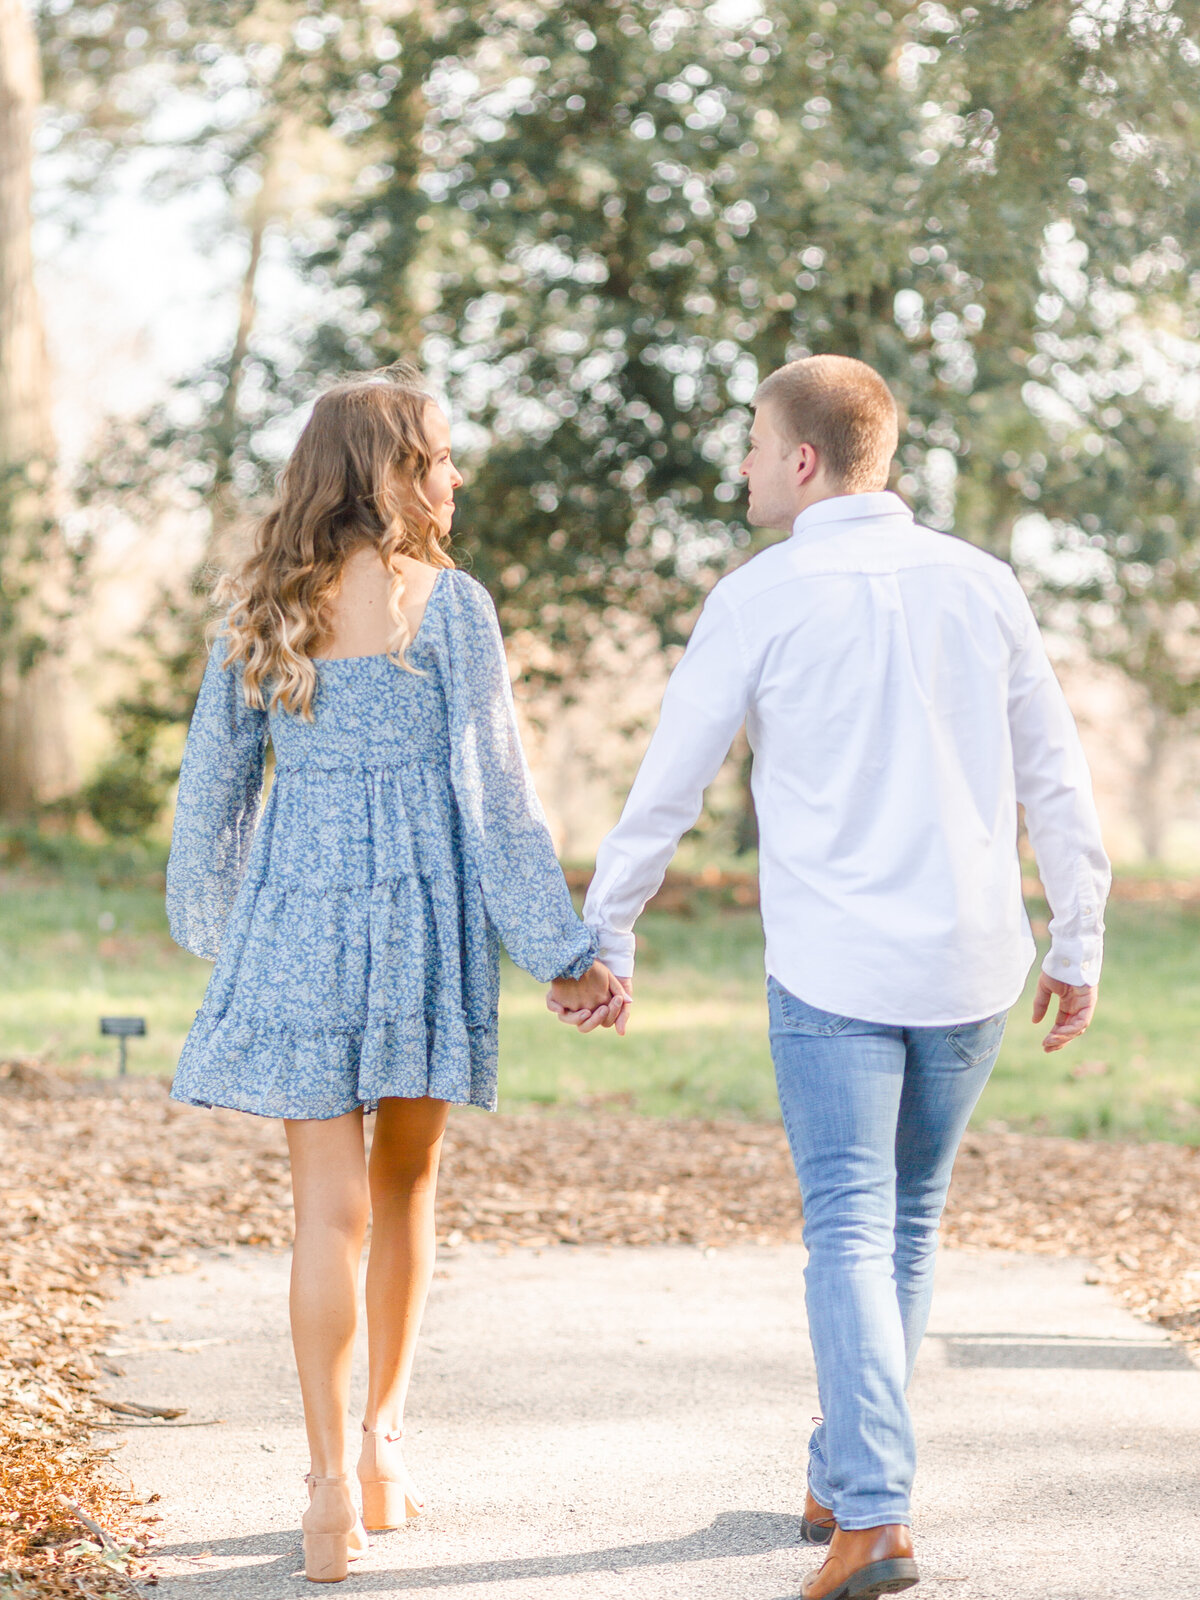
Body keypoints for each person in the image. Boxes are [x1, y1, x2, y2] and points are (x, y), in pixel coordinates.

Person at [560, 355, 1110, 1600]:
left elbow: (670, 782)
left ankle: (875, 1516)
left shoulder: (759, 596)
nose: (744, 466)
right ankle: (842, 1467)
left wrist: (612, 933)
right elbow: (1056, 775)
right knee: (902, 1225)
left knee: (854, 1228)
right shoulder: (986, 585)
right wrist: (1077, 936)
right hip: (972, 966)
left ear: (802, 460)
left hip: (836, 973)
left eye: (754, 445)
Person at [166, 365, 627, 1583]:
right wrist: (563, 949)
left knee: (326, 1210)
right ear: (390, 471)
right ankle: (379, 1448)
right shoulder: (454, 607)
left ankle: (325, 1494)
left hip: (299, 919)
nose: (455, 472)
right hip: (422, 918)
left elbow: (210, 788)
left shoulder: (262, 604)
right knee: (405, 1192)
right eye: (439, 453)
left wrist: (223, 930)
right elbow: (499, 806)